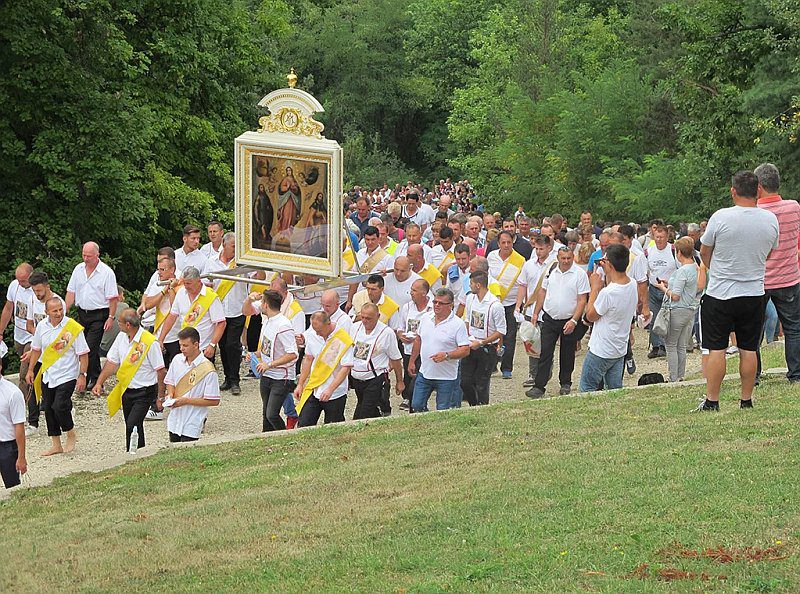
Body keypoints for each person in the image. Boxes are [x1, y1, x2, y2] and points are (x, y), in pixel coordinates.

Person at [697, 171, 779, 411]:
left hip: (721, 293)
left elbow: (704, 251)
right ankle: (746, 399)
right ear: (759, 191)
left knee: (716, 348)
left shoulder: (721, 217)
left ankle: (712, 400)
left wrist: (716, 268)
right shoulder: (770, 220)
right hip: (753, 292)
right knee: (749, 348)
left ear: (733, 191)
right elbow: (770, 253)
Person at [91, 309, 165, 451]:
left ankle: (131, 453)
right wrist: (100, 382)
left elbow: (160, 371)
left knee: (133, 424)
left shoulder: (150, 342)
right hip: (126, 390)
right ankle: (140, 452)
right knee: (132, 425)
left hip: (144, 392)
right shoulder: (121, 338)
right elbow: (112, 362)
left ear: (128, 325)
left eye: (119, 322)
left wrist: (160, 396)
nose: (118, 324)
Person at [26, 297, 89, 456]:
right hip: (48, 374)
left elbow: (83, 354)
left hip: (68, 374)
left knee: (59, 405)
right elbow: (36, 350)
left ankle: (70, 432)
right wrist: (31, 370)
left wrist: (82, 375)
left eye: (60, 309)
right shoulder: (41, 326)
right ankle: (56, 444)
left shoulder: (72, 327)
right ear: (46, 312)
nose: (59, 313)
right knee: (48, 408)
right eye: (55, 310)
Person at [755, 162, 800, 383]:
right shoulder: (794, 208)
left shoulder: (753, 213)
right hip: (789, 278)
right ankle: (796, 374)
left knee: (752, 331)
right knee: (793, 328)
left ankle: (753, 374)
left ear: (759, 187)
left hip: (758, 281)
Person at [527, 246, 589, 398]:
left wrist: (574, 320)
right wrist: (535, 313)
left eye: (569, 258)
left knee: (567, 353)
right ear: (558, 258)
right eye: (563, 258)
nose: (566, 261)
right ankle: (539, 385)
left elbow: (582, 300)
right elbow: (542, 292)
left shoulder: (579, 274)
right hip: (550, 318)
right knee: (545, 352)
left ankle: (565, 383)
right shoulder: (551, 271)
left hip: (569, 319)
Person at [579, 245, 639, 392]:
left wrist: (594, 288)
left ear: (610, 264)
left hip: (601, 349)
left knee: (587, 387)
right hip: (619, 348)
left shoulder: (608, 293)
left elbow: (590, 315)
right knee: (614, 389)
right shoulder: (632, 284)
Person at [65, 242, 118, 392]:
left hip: (99, 314)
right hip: (82, 312)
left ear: (97, 255)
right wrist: (64, 310)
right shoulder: (78, 269)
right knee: (84, 345)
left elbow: (112, 298)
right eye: (84, 255)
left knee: (89, 347)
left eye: (89, 256)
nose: (86, 258)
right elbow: (71, 292)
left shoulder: (106, 273)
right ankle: (95, 375)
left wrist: (111, 317)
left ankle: (86, 378)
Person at [409, 288, 470, 412]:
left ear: (450, 306)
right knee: (416, 405)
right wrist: (412, 361)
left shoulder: (458, 324)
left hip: (446, 376)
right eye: (435, 302)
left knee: (443, 410)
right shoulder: (426, 318)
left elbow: (465, 349)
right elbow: (418, 340)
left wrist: (447, 355)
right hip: (425, 372)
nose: (437, 305)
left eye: (441, 303)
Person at [654, 237, 702, 382]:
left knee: (671, 344)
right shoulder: (695, 267)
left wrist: (663, 288)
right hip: (689, 309)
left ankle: (673, 376)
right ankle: (680, 375)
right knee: (681, 345)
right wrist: (670, 284)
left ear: (679, 252)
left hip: (678, 309)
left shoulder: (682, 271)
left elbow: (675, 296)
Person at [294, 311, 354, 426]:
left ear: (328, 324)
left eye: (320, 331)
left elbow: (346, 368)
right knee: (304, 423)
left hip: (335, 392)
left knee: (333, 426)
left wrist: (330, 389)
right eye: (315, 331)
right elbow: (308, 359)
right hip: (315, 387)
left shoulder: (343, 339)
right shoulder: (313, 334)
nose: (318, 334)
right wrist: (300, 384)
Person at [23, 272, 66, 435]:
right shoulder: (32, 299)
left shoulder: (57, 303)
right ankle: (33, 422)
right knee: (31, 382)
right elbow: (29, 325)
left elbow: (62, 332)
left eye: (39, 290)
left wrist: (43, 338)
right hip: (37, 347)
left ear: (47, 286)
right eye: (34, 291)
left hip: (53, 352)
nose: (37, 294)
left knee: (54, 387)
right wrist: (39, 338)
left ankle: (66, 409)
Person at [206, 233, 248, 395]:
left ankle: (235, 379)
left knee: (233, 344)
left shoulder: (242, 263)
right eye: (233, 247)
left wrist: (258, 265)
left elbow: (258, 277)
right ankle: (228, 378)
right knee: (223, 345)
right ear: (224, 244)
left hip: (237, 309)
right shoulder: (211, 262)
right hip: (219, 311)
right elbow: (207, 283)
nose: (235, 250)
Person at [163, 327, 221, 442]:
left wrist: (186, 401)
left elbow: (214, 400)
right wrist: (170, 395)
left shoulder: (208, 369)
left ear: (196, 344)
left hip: (193, 420)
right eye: (180, 345)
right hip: (175, 419)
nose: (181, 349)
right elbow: (170, 381)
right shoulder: (177, 360)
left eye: (185, 346)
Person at [157, 266, 226, 362]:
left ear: (198, 281)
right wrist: (161, 338)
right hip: (184, 348)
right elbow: (172, 316)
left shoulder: (210, 297)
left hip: (203, 348)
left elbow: (221, 323)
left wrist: (212, 344)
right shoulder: (181, 293)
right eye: (184, 283)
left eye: (189, 283)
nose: (186, 286)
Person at [254, 290, 298, 432]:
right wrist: (256, 355)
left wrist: (270, 364)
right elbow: (269, 347)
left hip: (281, 377)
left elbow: (292, 354)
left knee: (271, 414)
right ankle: (266, 439)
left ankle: (284, 436)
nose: (260, 305)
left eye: (262, 302)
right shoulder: (268, 321)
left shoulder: (283, 325)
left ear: (266, 305)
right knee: (265, 414)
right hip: (266, 375)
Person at [350, 303, 404, 419]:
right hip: (357, 378)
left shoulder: (387, 333)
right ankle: (383, 415)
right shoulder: (354, 328)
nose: (365, 321)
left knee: (363, 413)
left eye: (368, 318)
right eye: (362, 317)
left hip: (375, 377)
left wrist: (399, 381)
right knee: (364, 404)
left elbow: (395, 358)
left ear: (378, 316)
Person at [516, 236, 556, 387]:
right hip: (531, 307)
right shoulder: (528, 265)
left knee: (546, 344)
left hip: (547, 310)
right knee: (530, 343)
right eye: (537, 249)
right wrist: (518, 305)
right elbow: (522, 285)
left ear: (549, 248)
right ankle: (533, 374)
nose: (539, 252)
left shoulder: (554, 266)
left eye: (541, 249)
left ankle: (545, 370)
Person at [461, 272, 506, 406]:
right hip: (471, 344)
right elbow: (468, 319)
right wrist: (468, 337)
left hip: (487, 347)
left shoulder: (495, 305)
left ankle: (481, 406)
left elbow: (501, 331)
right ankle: (474, 404)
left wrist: (482, 342)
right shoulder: (471, 299)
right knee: (465, 381)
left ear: (478, 285)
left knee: (482, 382)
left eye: (471, 284)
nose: (470, 287)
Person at [487, 231, 525, 379]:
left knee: (509, 336)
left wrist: (519, 305)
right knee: (492, 334)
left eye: (509, 242)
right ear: (498, 244)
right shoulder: (491, 257)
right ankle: (491, 365)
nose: (506, 245)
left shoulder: (519, 260)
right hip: (494, 302)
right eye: (503, 242)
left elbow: (522, 283)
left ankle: (507, 367)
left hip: (511, 303)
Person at [0, 263, 34, 407]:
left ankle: (22, 406)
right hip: (18, 334)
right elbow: (8, 308)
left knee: (24, 373)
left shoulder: (36, 291)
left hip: (32, 336)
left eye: (23, 281)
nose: (20, 283)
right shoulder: (14, 286)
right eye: (18, 280)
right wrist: (1, 331)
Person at [396, 279, 432, 411]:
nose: (411, 293)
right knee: (409, 379)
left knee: (416, 385)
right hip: (408, 350)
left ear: (424, 293)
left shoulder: (432, 309)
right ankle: (416, 408)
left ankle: (417, 406)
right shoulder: (407, 307)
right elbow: (400, 328)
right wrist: (401, 336)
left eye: (415, 290)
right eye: (411, 290)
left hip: (424, 352)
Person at [645, 225, 678, 359]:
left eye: (662, 237)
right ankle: (655, 346)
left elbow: (679, 267)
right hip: (654, 288)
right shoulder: (649, 251)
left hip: (669, 288)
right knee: (653, 317)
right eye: (657, 237)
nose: (659, 240)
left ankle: (666, 345)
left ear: (667, 237)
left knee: (667, 318)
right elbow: (646, 269)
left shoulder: (673, 250)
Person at [0, 340, 27, 488]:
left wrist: (21, 457)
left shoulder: (13, 393)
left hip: (7, 446)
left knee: (13, 488)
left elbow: (19, 426)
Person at [99, 285, 129, 357]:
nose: (123, 298)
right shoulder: (124, 307)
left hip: (103, 347)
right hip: (118, 348)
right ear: (117, 296)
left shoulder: (102, 307)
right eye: (122, 295)